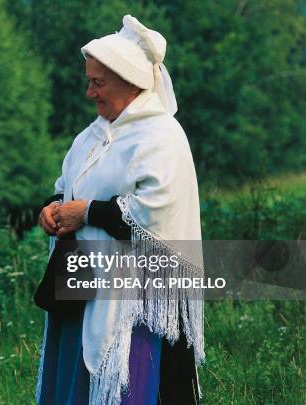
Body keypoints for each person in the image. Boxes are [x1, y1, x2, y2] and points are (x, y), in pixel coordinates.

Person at [36, 16, 204, 405]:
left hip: (137, 302)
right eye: (89, 80)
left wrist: (87, 213)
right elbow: (67, 190)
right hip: (83, 288)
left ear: (130, 82)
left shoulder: (161, 136)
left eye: (98, 81)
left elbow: (153, 215)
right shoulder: (91, 136)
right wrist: (52, 210)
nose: (89, 92)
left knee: (132, 388)